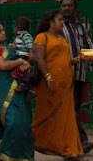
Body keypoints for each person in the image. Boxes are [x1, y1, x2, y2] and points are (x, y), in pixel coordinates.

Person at [31, 11, 84, 160]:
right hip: (50, 84)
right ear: (51, 22)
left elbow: (65, 61)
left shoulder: (61, 38)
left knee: (67, 117)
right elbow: (40, 59)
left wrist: (78, 58)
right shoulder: (42, 37)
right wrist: (48, 77)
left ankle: (70, 149)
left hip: (66, 84)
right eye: (59, 19)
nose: (62, 22)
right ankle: (35, 139)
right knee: (48, 115)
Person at [0, 21, 35, 161]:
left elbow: (16, 66)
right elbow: (2, 65)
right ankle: (5, 154)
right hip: (3, 90)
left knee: (24, 123)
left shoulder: (10, 49)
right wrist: (20, 62)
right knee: (13, 123)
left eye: (3, 30)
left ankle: (25, 157)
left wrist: (23, 67)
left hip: (18, 89)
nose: (3, 33)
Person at [58, 0, 93, 154]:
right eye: (64, 6)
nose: (66, 8)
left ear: (75, 8)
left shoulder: (80, 27)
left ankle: (76, 142)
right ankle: (81, 140)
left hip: (79, 74)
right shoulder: (58, 27)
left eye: (69, 6)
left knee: (74, 107)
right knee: (70, 108)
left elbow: (87, 47)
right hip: (63, 75)